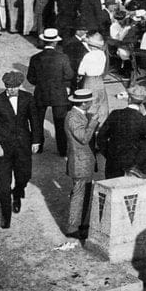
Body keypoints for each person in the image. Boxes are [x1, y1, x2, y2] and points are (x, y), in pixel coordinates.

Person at [0, 71, 42, 229]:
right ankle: (5, 217)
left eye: (15, 87)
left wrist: (36, 140)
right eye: (9, 87)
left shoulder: (28, 98)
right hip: (3, 150)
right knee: (3, 185)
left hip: (23, 147)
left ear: (20, 85)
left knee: (24, 176)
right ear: (5, 86)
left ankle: (17, 194)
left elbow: (35, 121)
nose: (12, 90)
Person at [26, 27, 75, 157]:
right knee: (60, 123)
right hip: (59, 93)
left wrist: (41, 83)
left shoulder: (35, 58)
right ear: (55, 42)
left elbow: (30, 78)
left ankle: (38, 146)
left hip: (41, 92)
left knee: (37, 121)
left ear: (44, 42)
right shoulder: (62, 57)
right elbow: (69, 75)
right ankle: (62, 150)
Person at [64, 88, 100, 238]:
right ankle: (72, 228)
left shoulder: (78, 115)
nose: (92, 103)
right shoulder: (73, 117)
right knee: (78, 195)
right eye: (90, 101)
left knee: (84, 193)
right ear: (84, 103)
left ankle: (82, 224)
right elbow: (84, 138)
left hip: (83, 162)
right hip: (80, 164)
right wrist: (93, 123)